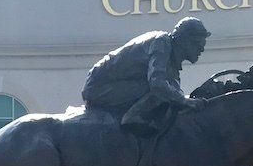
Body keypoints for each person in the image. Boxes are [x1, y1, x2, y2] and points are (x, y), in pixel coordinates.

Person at [81, 17, 211, 136]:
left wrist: (186, 101)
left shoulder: (171, 62)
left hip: (115, 85)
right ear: (184, 40)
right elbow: (157, 84)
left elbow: (175, 92)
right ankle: (132, 117)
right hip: (98, 88)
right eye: (197, 43)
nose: (202, 49)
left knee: (168, 91)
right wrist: (185, 101)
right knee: (161, 89)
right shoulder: (161, 43)